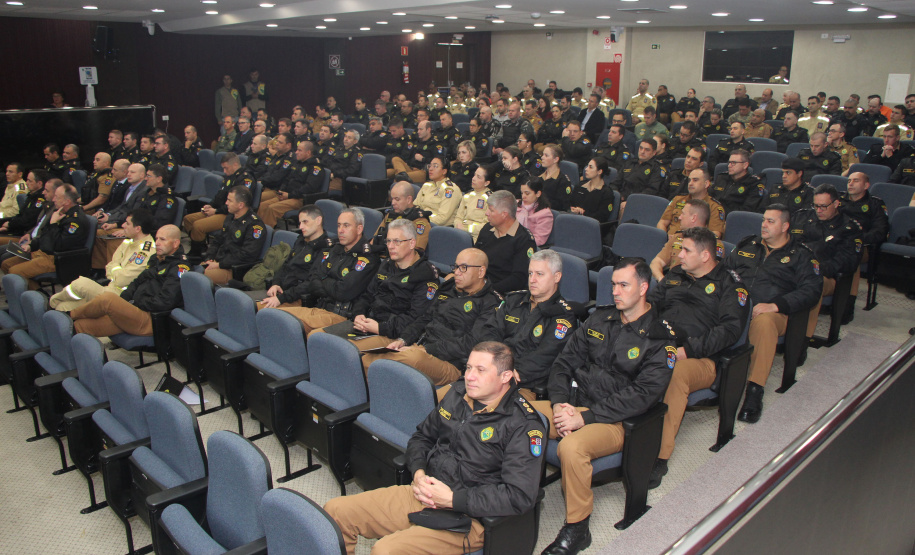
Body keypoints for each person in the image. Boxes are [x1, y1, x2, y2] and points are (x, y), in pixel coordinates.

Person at [325, 341, 544, 555]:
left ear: (505, 376)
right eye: (468, 367)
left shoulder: (523, 425)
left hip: (467, 516)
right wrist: (419, 472)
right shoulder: (457, 394)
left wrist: (451, 500)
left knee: (386, 550)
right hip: (426, 492)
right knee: (335, 512)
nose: (469, 376)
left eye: (480, 370)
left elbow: (519, 495)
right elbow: (422, 437)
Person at [535, 258, 675, 555]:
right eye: (613, 284)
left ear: (644, 288)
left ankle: (577, 528)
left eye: (624, 285)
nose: (615, 291)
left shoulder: (659, 340)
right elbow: (563, 363)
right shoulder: (600, 320)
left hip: (615, 422)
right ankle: (518, 491)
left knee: (571, 447)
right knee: (521, 413)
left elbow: (641, 396)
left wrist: (585, 417)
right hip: (574, 405)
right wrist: (560, 404)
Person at [650, 227, 748, 485]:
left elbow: (729, 331)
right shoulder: (675, 275)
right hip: (661, 344)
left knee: (675, 374)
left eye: (685, 250)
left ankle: (658, 456)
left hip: (701, 359)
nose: (679, 254)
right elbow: (649, 305)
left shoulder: (729, 284)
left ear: (705, 255)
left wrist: (689, 350)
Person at [726, 205, 822, 423]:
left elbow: (812, 290)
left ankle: (754, 390)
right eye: (764, 220)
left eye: (771, 221)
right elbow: (724, 272)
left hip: (776, 313)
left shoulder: (801, 255)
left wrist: (776, 305)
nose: (764, 225)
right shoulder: (747, 244)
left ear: (786, 226)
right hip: (737, 306)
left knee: (764, 322)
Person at [283, 218, 436, 346]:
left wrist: (380, 328)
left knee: (326, 344)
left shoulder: (425, 274)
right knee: (315, 336)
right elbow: (367, 295)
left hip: (390, 333)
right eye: (388, 241)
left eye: (396, 241)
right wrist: (359, 314)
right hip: (367, 323)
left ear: (411, 243)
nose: (390, 246)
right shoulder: (387, 265)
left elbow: (416, 317)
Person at [361, 248, 502, 386]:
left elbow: (471, 343)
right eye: (456, 267)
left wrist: (428, 350)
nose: (456, 272)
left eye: (463, 268)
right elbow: (425, 318)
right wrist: (403, 339)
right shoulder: (449, 288)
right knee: (367, 359)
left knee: (403, 360)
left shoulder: (491, 303)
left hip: (453, 364)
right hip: (422, 347)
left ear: (481, 271)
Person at [477, 249, 577, 395]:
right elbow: (490, 332)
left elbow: (545, 357)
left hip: (523, 384)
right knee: (450, 401)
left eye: (539, 274)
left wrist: (506, 371)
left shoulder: (562, 316)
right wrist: (494, 365)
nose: (532, 279)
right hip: (492, 370)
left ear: (557, 277)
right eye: (530, 273)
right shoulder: (514, 301)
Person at [70, 225, 187, 337]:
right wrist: (123, 303)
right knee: (80, 326)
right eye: (156, 238)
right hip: (135, 311)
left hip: (152, 318)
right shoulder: (156, 258)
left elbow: (165, 302)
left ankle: (70, 315)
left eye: (162, 239)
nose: (157, 243)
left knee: (107, 299)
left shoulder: (180, 268)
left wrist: (135, 302)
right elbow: (137, 281)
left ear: (175, 243)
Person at [792, 184, 863, 339]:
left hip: (825, 275)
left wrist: (814, 268)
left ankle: (801, 338)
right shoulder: (801, 216)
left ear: (836, 204)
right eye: (816, 206)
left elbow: (847, 261)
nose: (818, 210)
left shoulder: (848, 228)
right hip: (794, 266)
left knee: (810, 286)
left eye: (823, 206)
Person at [50, 209, 156, 312]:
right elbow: (109, 265)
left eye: (127, 223)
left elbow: (121, 280)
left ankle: (51, 302)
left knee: (80, 284)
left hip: (120, 297)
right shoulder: (128, 242)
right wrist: (116, 271)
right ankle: (53, 305)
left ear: (138, 229)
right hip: (110, 288)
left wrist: (114, 271)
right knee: (63, 307)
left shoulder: (146, 252)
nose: (123, 225)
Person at [3, 184, 90, 290]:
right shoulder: (60, 212)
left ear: (67, 201)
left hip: (56, 259)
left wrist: (53, 224)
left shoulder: (76, 220)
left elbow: (59, 245)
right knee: (6, 264)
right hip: (42, 252)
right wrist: (31, 245)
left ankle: (37, 299)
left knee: (14, 272)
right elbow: (44, 235)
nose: (53, 200)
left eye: (57, 197)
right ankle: (29, 293)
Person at [838, 172, 889, 323]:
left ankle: (846, 307)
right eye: (849, 181)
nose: (850, 184)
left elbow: (880, 231)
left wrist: (857, 238)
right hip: (834, 242)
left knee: (850, 256)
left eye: (855, 181)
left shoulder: (875, 204)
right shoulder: (838, 200)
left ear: (866, 185)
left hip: (861, 246)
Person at [185, 153, 255, 255]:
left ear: (235, 165)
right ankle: (201, 245)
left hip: (230, 215)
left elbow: (238, 205)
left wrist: (216, 211)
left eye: (226, 168)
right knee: (188, 219)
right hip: (219, 210)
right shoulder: (229, 177)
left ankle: (196, 254)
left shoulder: (245, 179)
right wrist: (211, 206)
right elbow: (219, 196)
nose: (224, 171)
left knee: (197, 226)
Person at [199, 186, 267, 285]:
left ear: (240, 205)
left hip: (233, 269)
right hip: (218, 262)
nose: (226, 203)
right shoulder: (230, 217)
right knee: (192, 271)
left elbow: (247, 256)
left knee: (198, 278)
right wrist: (209, 257)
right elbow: (218, 240)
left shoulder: (254, 225)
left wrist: (219, 265)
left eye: (229, 200)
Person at [474, 190, 537, 295]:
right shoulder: (487, 229)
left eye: (491, 210)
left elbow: (518, 278)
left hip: (499, 293)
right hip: (478, 284)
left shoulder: (524, 239)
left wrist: (486, 290)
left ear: (504, 215)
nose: (486, 213)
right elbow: (474, 258)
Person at [658, 168, 726, 237]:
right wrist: (665, 237)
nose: (690, 183)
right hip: (670, 243)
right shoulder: (677, 199)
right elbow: (662, 222)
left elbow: (715, 235)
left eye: (695, 180)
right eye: (689, 180)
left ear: (706, 184)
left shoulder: (714, 207)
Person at [372, 181, 432, 252]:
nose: (393, 203)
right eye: (392, 199)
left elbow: (415, 251)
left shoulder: (420, 221)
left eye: (397, 199)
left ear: (409, 199)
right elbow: (374, 239)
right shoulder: (390, 215)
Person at [0, 171, 51, 246]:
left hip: (23, 234)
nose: (27, 183)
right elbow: (20, 215)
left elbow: (27, 221)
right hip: (15, 227)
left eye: (30, 181)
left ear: (39, 183)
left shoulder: (40, 200)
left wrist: (10, 225)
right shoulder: (31, 195)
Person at [615, 139, 666, 209]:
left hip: (641, 202)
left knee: (624, 208)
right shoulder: (629, 163)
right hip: (622, 198)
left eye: (647, 150)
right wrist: (618, 196)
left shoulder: (657, 168)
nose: (642, 152)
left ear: (654, 152)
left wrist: (631, 200)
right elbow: (615, 183)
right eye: (641, 148)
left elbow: (652, 190)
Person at [711, 149, 766, 214]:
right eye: (729, 162)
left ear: (745, 165)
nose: (729, 166)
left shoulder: (754, 184)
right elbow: (711, 197)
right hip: (713, 214)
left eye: (733, 163)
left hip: (734, 218)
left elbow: (747, 210)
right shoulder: (722, 177)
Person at [414, 156, 462, 226]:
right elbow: (416, 205)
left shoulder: (450, 189)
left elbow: (442, 218)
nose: (430, 169)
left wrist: (421, 219)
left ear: (444, 171)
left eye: (435, 166)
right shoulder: (427, 185)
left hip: (439, 228)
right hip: (421, 223)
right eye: (430, 166)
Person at [452, 166, 494, 241]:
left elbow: (487, 225)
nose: (473, 178)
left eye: (478, 177)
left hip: (477, 238)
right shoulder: (467, 196)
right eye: (474, 175)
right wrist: (458, 226)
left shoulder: (491, 199)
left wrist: (465, 229)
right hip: (460, 233)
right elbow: (458, 217)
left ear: (486, 183)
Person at [572, 157, 616, 223]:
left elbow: (602, 216)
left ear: (599, 171)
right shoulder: (580, 186)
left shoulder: (606, 193)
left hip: (590, 225)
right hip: (574, 220)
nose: (586, 169)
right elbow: (570, 203)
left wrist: (583, 213)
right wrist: (573, 209)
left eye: (590, 167)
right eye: (587, 166)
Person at [516, 178, 553, 247]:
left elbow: (539, 240)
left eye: (527, 193)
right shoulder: (516, 204)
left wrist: (517, 241)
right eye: (522, 193)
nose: (523, 196)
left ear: (538, 194)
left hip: (525, 246)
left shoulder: (545, 214)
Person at [539, 144, 573, 211]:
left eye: (546, 155)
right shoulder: (539, 177)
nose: (542, 157)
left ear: (555, 159)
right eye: (542, 154)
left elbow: (562, 205)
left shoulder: (563, 181)